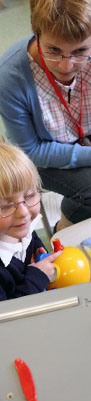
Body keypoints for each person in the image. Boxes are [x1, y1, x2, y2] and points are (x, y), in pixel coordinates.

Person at [0, 0, 91, 231]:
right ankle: (63, 228)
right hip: (42, 152)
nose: (66, 66)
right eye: (53, 50)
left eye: (80, 51)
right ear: (37, 34)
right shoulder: (10, 77)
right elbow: (32, 150)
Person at [0, 142, 61, 301]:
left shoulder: (17, 227)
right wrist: (36, 278)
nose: (23, 212)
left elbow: (31, 237)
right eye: (5, 206)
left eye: (29, 196)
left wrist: (38, 248)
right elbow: (9, 318)